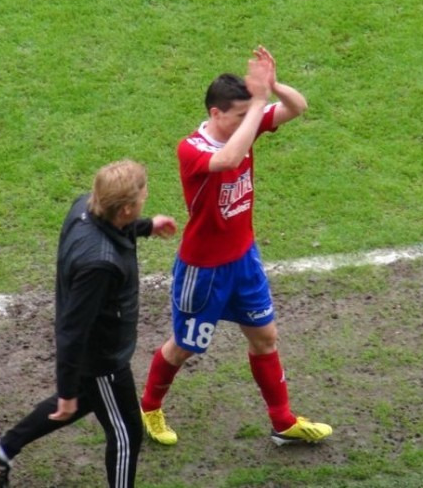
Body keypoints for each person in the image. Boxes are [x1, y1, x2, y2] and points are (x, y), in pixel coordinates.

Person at [139, 46, 333, 447]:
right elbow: (228, 159)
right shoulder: (192, 148)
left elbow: (298, 107)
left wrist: (273, 86)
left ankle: (283, 421)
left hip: (244, 260)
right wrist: (258, 105)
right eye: (240, 116)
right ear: (215, 113)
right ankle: (149, 407)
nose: (249, 122)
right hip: (203, 270)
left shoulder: (242, 126)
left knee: (265, 337)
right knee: (184, 347)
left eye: (250, 116)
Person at [0, 160, 177, 488]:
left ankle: (1, 450)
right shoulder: (100, 265)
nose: (146, 196)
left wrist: (146, 226)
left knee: (83, 400)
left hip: (95, 354)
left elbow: (115, 226)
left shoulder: (86, 205)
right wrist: (66, 390)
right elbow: (72, 332)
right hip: (104, 361)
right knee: (126, 434)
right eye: (142, 194)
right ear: (126, 208)